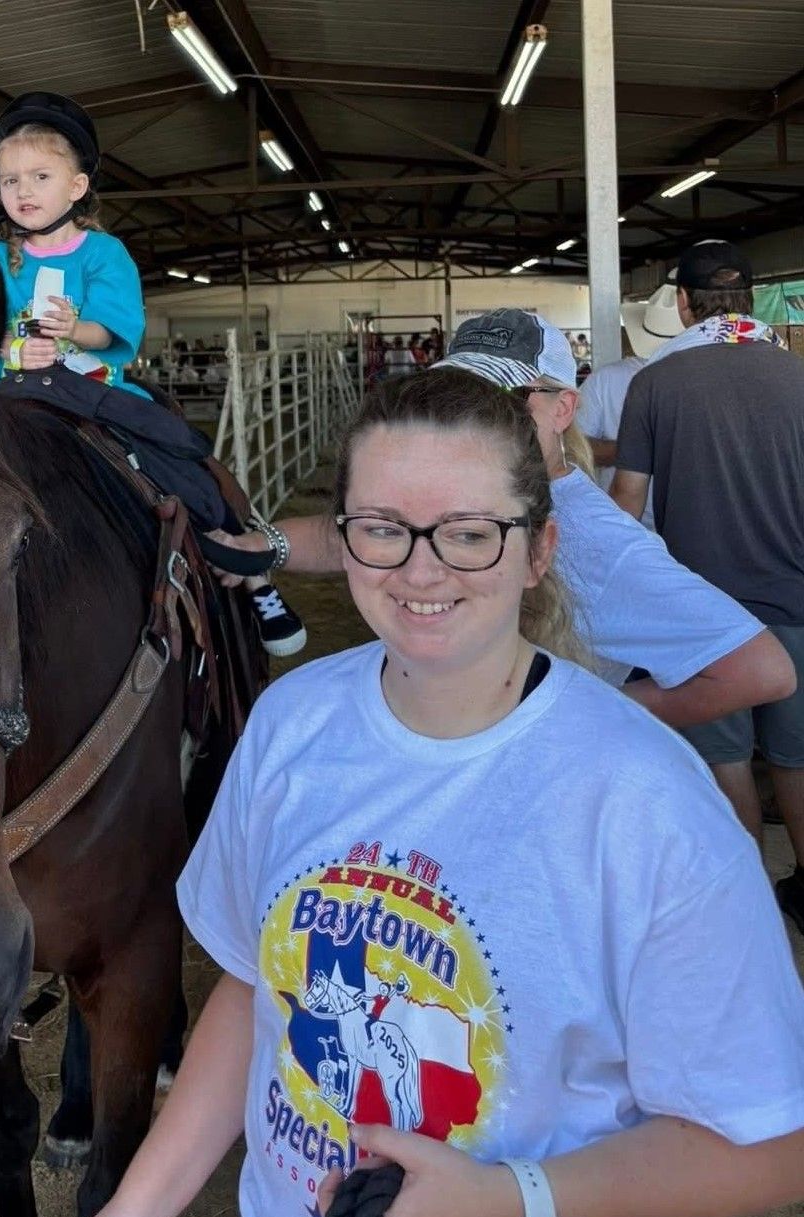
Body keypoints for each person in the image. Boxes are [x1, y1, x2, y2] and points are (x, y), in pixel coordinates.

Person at [27, 366, 804, 1217]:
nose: (420, 570)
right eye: (383, 529)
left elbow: (769, 1146)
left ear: (539, 550)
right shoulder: (292, 724)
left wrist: (512, 1201)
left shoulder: (647, 804)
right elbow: (253, 990)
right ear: (340, 536)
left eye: (470, 534)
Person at [209, 308, 795, 731]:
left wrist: (577, 717)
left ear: (563, 407)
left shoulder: (595, 537)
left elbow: (759, 670)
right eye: (463, 394)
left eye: (509, 401)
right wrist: (268, 545)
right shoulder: (470, 488)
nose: (480, 419)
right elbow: (366, 531)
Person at [0, 90, 305, 656]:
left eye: (39, 176)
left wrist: (75, 330)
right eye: (10, 180)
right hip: (9, 395)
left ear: (76, 187)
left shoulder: (103, 254)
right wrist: (11, 351)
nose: (23, 191)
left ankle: (247, 564)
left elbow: (114, 329)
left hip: (90, 390)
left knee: (176, 447)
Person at [612, 240, 804, 933]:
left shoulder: (656, 385)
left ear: (685, 305)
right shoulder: (799, 376)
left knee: (724, 760)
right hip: (797, 600)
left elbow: (627, 504)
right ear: (750, 300)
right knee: (797, 755)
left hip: (703, 612)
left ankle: (745, 902)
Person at [577, 275, 684, 529]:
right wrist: (646, 452)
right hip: (681, 527)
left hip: (628, 524)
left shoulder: (605, 380)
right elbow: (576, 447)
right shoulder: (605, 381)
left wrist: (634, 452)